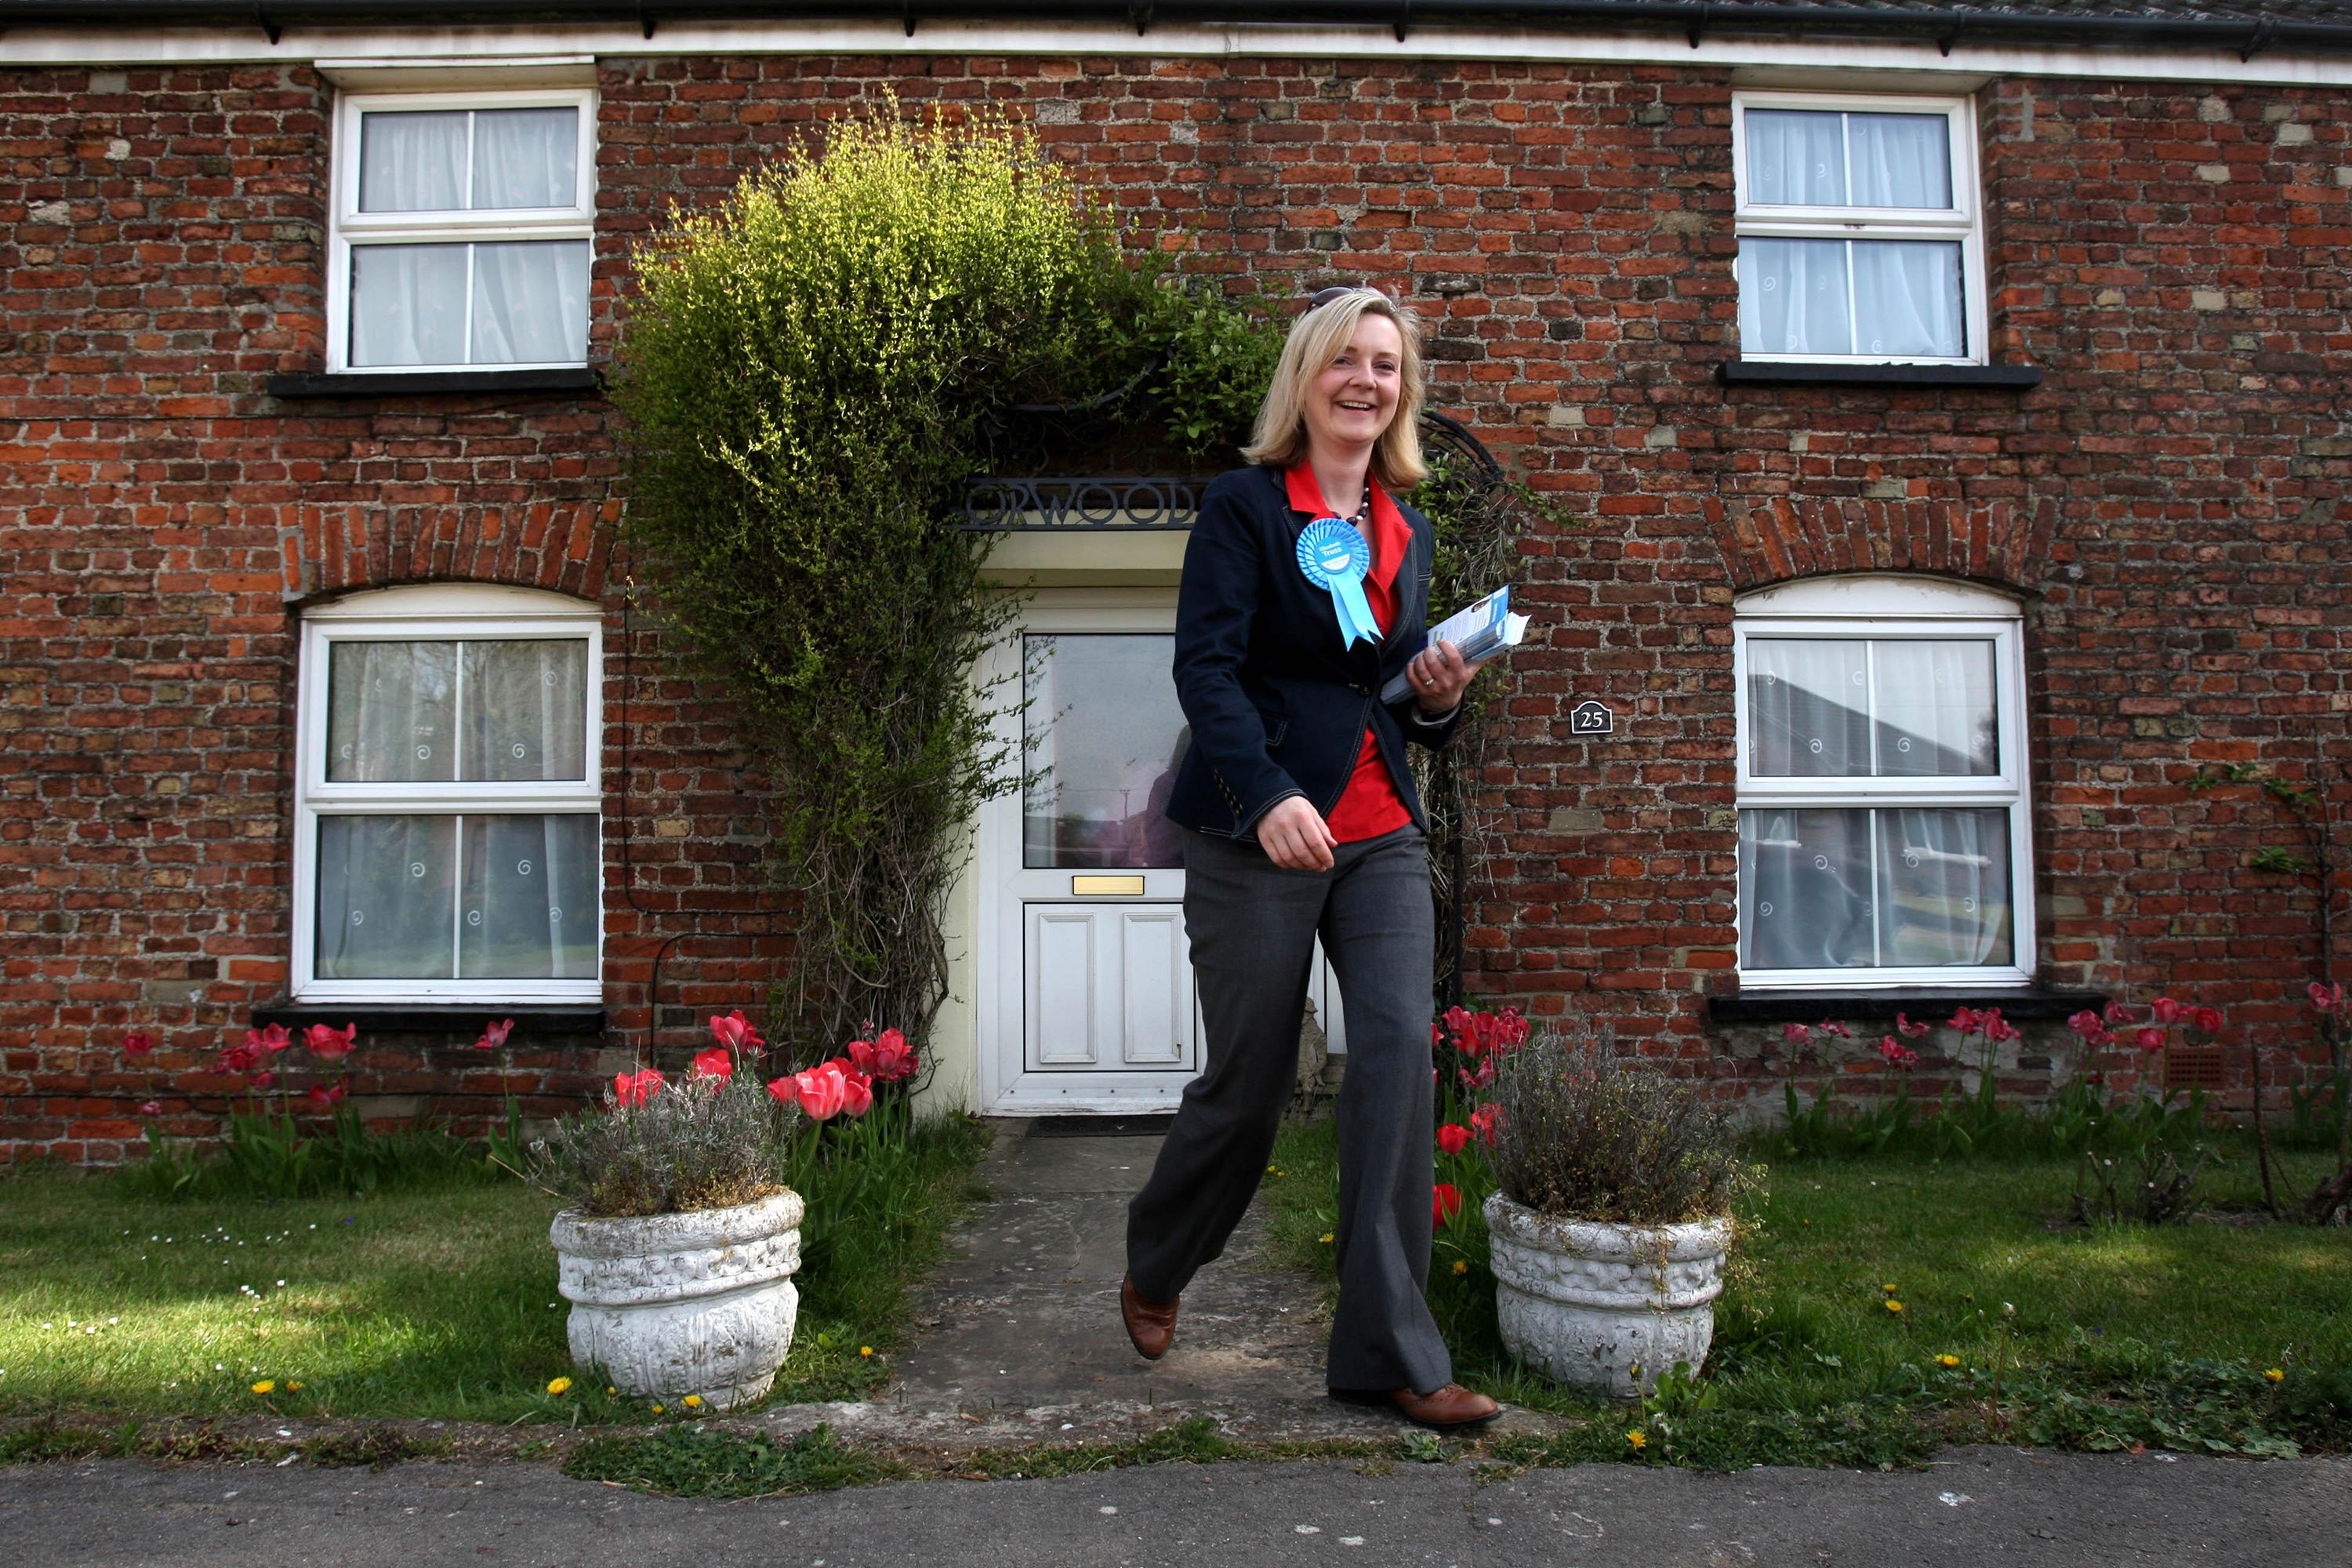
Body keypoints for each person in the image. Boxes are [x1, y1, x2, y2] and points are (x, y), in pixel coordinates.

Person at [1120, 285, 1498, 1431]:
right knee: (1250, 1084)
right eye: (1346, 360)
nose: (1366, 382)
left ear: (1402, 392)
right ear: (1307, 377)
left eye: (1386, 366)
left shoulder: (1408, 527)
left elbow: (1382, 692)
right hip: (1257, 829)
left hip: (1379, 830)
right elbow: (1209, 672)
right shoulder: (1245, 509)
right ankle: (1158, 1259)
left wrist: (1439, 699)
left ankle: (1390, 1355)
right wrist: (1269, 790)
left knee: (1397, 1059)